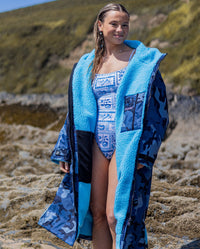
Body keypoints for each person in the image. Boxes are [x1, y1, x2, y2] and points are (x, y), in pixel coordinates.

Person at [38, 3, 169, 249]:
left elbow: (158, 111)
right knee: (97, 214)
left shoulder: (142, 62)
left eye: (125, 25)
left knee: (115, 216)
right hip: (95, 142)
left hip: (126, 142)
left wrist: (145, 152)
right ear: (100, 26)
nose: (120, 30)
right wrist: (66, 148)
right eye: (114, 24)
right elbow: (76, 110)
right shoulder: (87, 65)